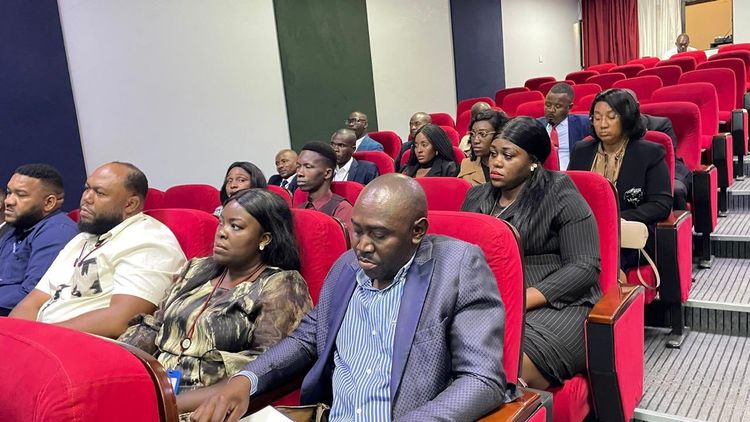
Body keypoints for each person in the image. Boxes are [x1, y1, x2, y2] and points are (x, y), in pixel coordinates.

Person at [190, 173, 514, 422]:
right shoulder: (347, 266)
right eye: (357, 230)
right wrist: (246, 379)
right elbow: (306, 339)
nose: (363, 246)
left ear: (417, 231)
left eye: (379, 234)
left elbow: (481, 378)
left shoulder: (457, 266)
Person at [119, 188, 312, 415]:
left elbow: (267, 368)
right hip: (156, 390)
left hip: (211, 408)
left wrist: (165, 405)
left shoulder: (281, 284)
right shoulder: (196, 269)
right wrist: (114, 367)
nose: (221, 233)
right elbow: (153, 327)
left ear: (264, 239)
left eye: (235, 227)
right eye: (221, 223)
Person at [462, 117, 601, 390]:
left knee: (499, 361)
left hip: (554, 304)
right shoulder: (476, 197)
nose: (496, 163)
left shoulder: (558, 192)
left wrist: (519, 300)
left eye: (508, 155)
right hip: (489, 300)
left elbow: (584, 267)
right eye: (493, 154)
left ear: (533, 161)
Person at [10, 162, 186, 338]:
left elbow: (121, 319)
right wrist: (12, 336)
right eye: (87, 188)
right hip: (44, 339)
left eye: (99, 193)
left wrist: (41, 336)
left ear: (130, 204)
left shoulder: (148, 241)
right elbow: (33, 302)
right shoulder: (82, 239)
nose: (86, 198)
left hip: (86, 344)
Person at [569, 89, 672, 270]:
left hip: (626, 235)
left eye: (611, 117)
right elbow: (569, 194)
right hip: (583, 232)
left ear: (626, 118)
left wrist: (612, 219)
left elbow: (661, 205)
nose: (603, 124)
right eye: (597, 118)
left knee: (599, 261)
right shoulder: (581, 150)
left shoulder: (649, 153)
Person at [0, 164, 78, 315]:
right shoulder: (16, 227)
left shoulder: (57, 232)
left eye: (21, 195)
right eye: (9, 193)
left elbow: (32, 295)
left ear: (49, 203)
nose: (8, 201)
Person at [295, 142, 353, 234]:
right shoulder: (299, 209)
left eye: (308, 167)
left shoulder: (342, 210)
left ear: (327, 173)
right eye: (298, 167)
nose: (299, 173)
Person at [538, 83, 591, 170]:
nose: (551, 110)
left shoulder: (584, 124)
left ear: (570, 107)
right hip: (545, 175)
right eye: (548, 105)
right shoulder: (537, 126)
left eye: (558, 106)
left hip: (573, 174)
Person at [458, 110, 510, 186]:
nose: (475, 140)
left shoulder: (511, 166)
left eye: (482, 134)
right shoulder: (466, 165)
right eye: (472, 134)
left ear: (499, 134)